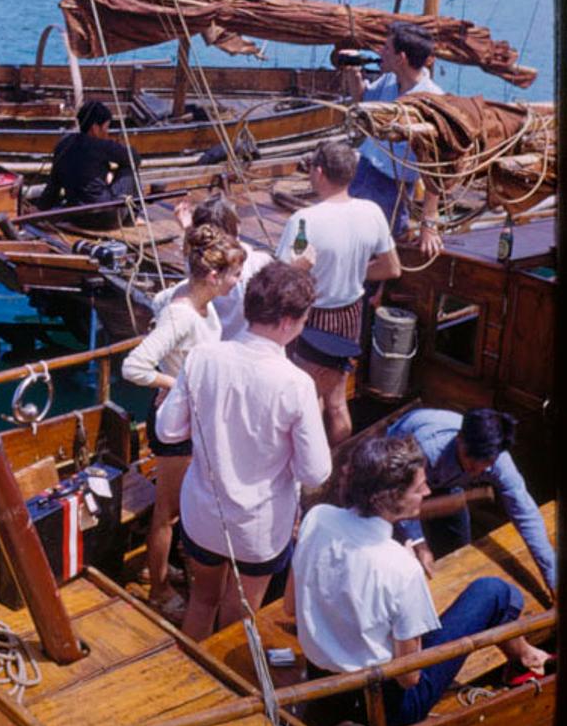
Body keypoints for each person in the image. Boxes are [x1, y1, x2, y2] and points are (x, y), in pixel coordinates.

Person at [291, 434, 551, 726]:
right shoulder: (401, 568)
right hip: (384, 707)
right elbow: (409, 678)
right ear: (389, 497)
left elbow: (290, 607)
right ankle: (527, 659)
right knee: (494, 592)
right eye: (419, 487)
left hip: (322, 689)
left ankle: (526, 655)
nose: (428, 491)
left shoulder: (317, 518)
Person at [156, 260, 332, 641]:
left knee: (201, 601)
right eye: (303, 320)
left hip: (203, 515)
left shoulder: (202, 358)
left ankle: (191, 676)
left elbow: (168, 431)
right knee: (239, 614)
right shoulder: (296, 384)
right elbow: (315, 473)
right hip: (258, 530)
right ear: (287, 322)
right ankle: (224, 691)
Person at [121, 224, 246, 621]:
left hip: (190, 416)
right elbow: (133, 366)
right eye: (233, 274)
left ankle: (159, 567)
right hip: (175, 419)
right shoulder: (183, 314)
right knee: (168, 511)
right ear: (213, 276)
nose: (237, 280)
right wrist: (175, 383)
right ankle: (157, 589)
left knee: (177, 506)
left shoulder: (188, 299)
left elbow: (160, 307)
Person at [277, 141, 401, 445]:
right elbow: (392, 268)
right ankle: (334, 459)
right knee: (335, 400)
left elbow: (278, 279)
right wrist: (355, 270)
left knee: (303, 403)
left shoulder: (304, 220)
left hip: (311, 319)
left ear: (319, 172)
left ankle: (307, 468)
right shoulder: (371, 212)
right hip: (350, 316)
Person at [387, 407, 556, 597]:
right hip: (397, 472)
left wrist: (552, 576)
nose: (478, 469)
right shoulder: (427, 449)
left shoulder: (499, 461)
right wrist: (419, 542)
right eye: (472, 460)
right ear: (459, 439)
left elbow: (525, 513)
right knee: (402, 553)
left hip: (447, 478)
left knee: (461, 546)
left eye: (486, 463)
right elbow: (397, 497)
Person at [342, 22, 444, 256]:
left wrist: (429, 222)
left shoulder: (433, 101)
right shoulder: (389, 81)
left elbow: (437, 168)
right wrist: (353, 73)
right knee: (351, 237)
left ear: (401, 58)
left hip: (392, 187)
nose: (380, 53)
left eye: (386, 49)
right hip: (364, 170)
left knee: (380, 246)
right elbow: (362, 102)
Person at [174, 192, 273, 339]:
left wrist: (188, 229)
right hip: (244, 344)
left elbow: (196, 248)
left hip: (211, 342)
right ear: (237, 227)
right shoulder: (259, 262)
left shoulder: (194, 261)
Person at [36, 99, 140, 230]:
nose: (107, 134)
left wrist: (40, 208)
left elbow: (54, 185)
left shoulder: (63, 143)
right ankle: (131, 219)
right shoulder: (101, 145)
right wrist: (120, 147)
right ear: (95, 128)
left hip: (76, 217)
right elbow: (135, 158)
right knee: (129, 168)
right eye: (106, 128)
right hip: (107, 219)